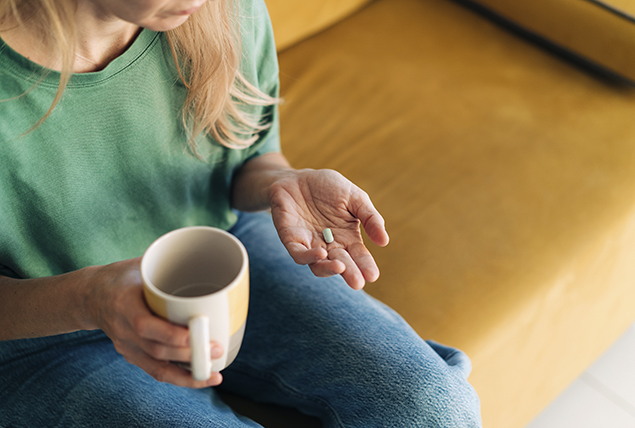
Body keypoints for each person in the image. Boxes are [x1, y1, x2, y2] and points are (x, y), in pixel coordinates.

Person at [0, 0, 483, 426]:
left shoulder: (222, 11)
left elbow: (248, 158)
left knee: (431, 405)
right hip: (42, 334)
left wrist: (281, 184)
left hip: (225, 244)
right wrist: (89, 299)